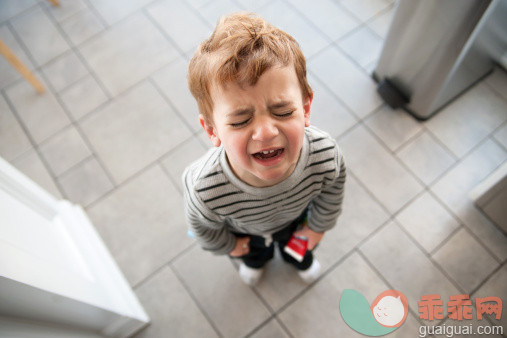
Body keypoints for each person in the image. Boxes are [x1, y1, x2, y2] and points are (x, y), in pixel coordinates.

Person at [182, 12, 346, 286]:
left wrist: (317, 228)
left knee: (300, 249)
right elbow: (203, 228)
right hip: (246, 234)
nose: (266, 132)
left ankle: (299, 260)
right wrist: (229, 247)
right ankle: (255, 261)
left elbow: (333, 191)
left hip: (297, 222)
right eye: (241, 120)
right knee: (253, 254)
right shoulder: (205, 187)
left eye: (282, 111)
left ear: (305, 109)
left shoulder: (324, 154)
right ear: (212, 130)